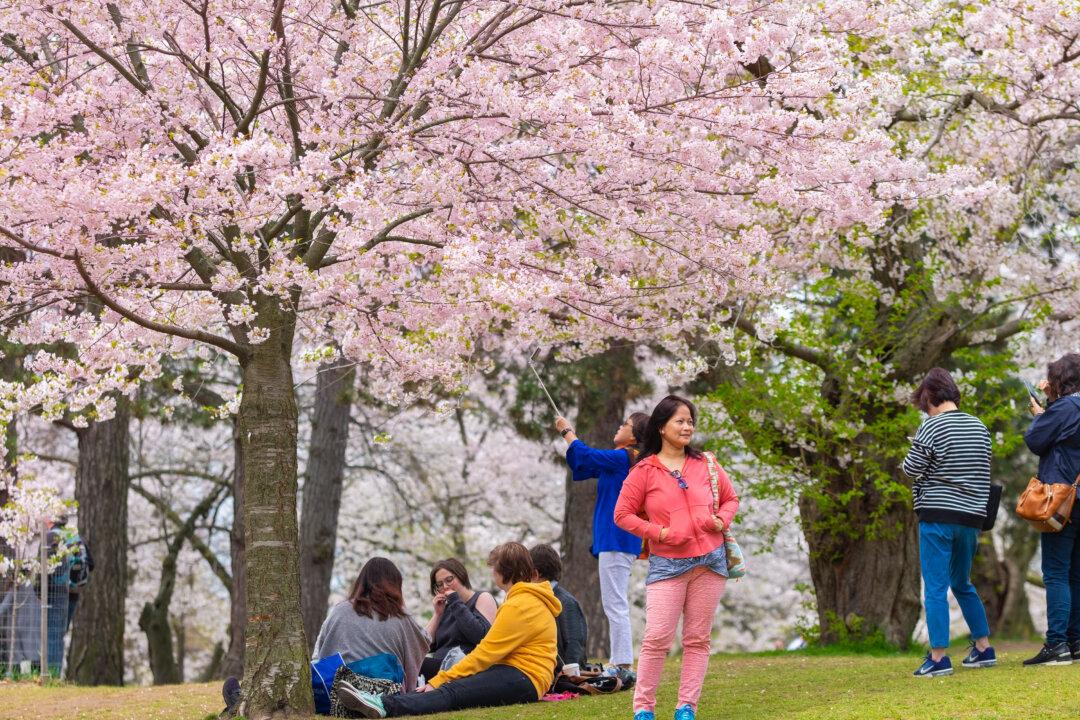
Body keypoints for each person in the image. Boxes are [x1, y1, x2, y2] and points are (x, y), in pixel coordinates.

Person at [613, 395, 738, 720]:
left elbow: (731, 499)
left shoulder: (706, 463)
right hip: (668, 565)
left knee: (697, 639)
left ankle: (686, 708)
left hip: (710, 563)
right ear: (661, 427)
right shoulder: (644, 470)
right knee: (656, 638)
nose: (687, 427)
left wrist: (721, 520)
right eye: (680, 421)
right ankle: (644, 709)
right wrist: (660, 533)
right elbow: (622, 514)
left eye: (690, 421)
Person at [337, 542, 561, 718]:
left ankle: (383, 704)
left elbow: (485, 652)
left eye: (494, 568)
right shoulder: (523, 601)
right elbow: (426, 644)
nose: (493, 574)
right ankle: (379, 701)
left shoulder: (519, 605)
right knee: (451, 688)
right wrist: (438, 615)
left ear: (504, 571)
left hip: (524, 677)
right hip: (519, 674)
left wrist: (440, 679)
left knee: (451, 692)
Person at [901, 367, 995, 677]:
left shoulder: (931, 426)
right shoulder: (979, 426)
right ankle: (984, 648)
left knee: (936, 587)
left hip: (938, 515)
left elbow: (910, 468)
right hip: (971, 517)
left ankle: (939, 657)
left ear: (928, 396)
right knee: (962, 582)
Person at [555, 411, 648, 683]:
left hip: (616, 538)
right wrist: (573, 446)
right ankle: (620, 661)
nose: (620, 426)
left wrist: (567, 432)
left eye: (626, 424)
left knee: (614, 603)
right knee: (614, 601)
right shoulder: (621, 459)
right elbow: (583, 464)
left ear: (635, 436)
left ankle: (621, 662)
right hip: (617, 539)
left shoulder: (625, 458)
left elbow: (587, 455)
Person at [1023, 353, 1080, 666]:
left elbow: (1036, 439)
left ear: (1061, 379)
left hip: (1063, 500)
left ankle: (1057, 644)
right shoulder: (1069, 407)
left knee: (1056, 572)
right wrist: (1051, 404)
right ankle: (1075, 641)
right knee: (1075, 574)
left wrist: (1038, 414)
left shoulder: (1065, 407)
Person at [311, 557, 431, 691]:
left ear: (361, 582)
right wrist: (437, 615)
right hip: (386, 693)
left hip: (339, 688)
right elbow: (422, 643)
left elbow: (322, 652)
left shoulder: (339, 610)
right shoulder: (401, 617)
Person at [421, 558, 497, 680]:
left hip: (465, 666)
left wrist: (455, 601)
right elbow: (422, 645)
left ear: (461, 576)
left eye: (449, 580)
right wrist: (437, 614)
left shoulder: (482, 597)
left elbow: (481, 637)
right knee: (408, 661)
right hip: (440, 666)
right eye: (439, 585)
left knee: (414, 665)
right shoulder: (446, 608)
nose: (445, 586)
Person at [529, 543, 587, 667]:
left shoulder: (566, 602)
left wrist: (569, 673)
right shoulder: (538, 598)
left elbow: (574, 644)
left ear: (535, 574)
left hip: (561, 672)